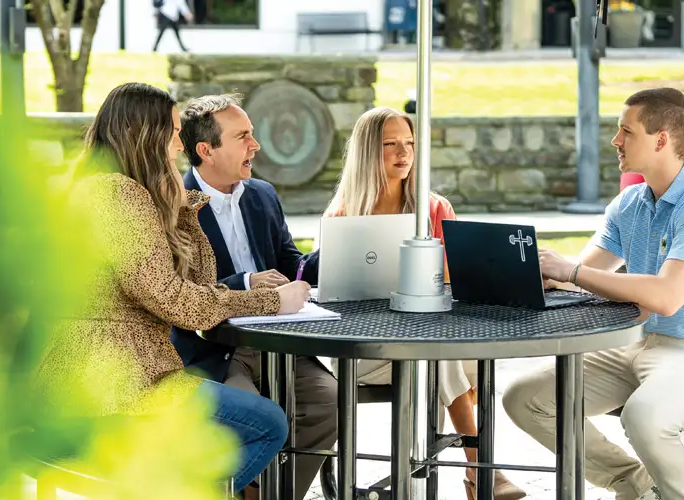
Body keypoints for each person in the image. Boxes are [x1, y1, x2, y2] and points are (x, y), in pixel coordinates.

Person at [33, 82, 311, 493]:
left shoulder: (101, 188)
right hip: (116, 390)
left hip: (112, 381)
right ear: (145, 135)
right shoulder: (117, 195)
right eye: (175, 132)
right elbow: (176, 301)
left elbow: (194, 284)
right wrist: (272, 300)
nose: (181, 145)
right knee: (268, 423)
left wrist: (182, 206)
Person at [503, 88, 684, 500]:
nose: (615, 141)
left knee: (646, 417)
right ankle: (635, 485)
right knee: (525, 399)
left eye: (626, 131)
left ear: (661, 139)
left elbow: (667, 295)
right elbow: (586, 272)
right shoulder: (631, 203)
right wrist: (540, 272)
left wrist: (571, 271)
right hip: (639, 344)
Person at [323, 106, 526, 500]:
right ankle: (481, 469)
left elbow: (453, 285)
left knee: (464, 358)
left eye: (410, 144)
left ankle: (463, 470)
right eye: (390, 145)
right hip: (367, 350)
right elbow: (335, 297)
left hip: (427, 339)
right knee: (447, 357)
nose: (404, 153)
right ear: (368, 151)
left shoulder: (434, 209)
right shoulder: (344, 214)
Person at [172, 93, 335, 500]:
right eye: (243, 136)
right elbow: (180, 291)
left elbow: (290, 264)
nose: (255, 145)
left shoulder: (263, 194)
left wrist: (339, 252)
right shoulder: (172, 204)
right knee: (251, 418)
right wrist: (245, 281)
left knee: (330, 402)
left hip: (282, 341)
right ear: (206, 150)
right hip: (216, 346)